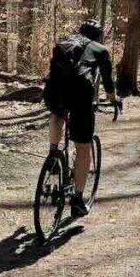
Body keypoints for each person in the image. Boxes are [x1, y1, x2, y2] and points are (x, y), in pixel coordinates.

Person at [43, 19, 121, 217]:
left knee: (57, 113)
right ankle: (77, 199)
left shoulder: (64, 42)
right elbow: (107, 81)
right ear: (98, 35)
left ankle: (53, 154)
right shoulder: (100, 50)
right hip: (80, 95)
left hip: (54, 90)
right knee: (83, 147)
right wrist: (113, 99)